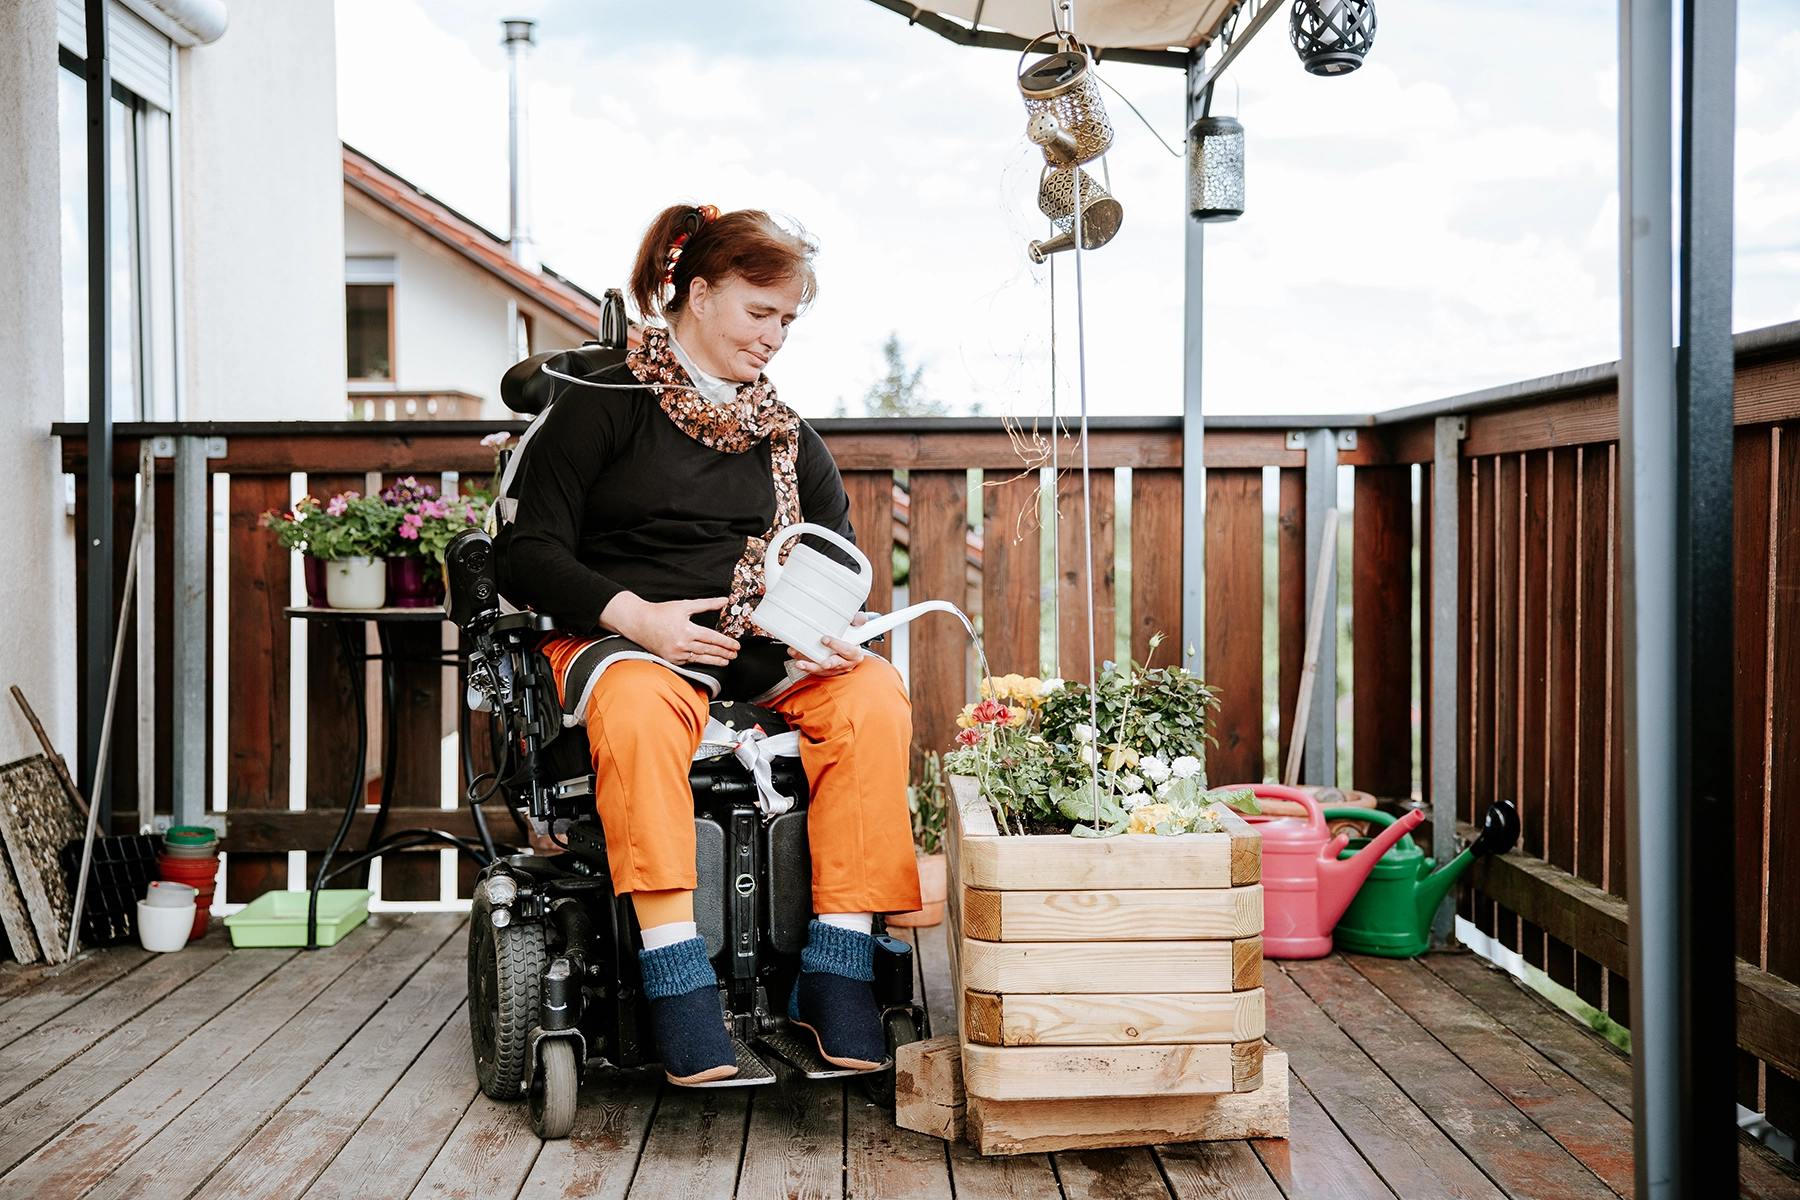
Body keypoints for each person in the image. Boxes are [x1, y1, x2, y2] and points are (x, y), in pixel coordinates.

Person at [502, 204, 921, 1086]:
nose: (774, 339)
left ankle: (837, 965)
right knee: (640, 702)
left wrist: (823, 634)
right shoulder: (602, 403)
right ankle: (674, 975)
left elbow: (829, 563)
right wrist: (639, 618)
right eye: (758, 314)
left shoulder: (787, 438)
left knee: (872, 693)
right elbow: (525, 552)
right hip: (627, 641)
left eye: (787, 322)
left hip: (760, 651)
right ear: (697, 293)